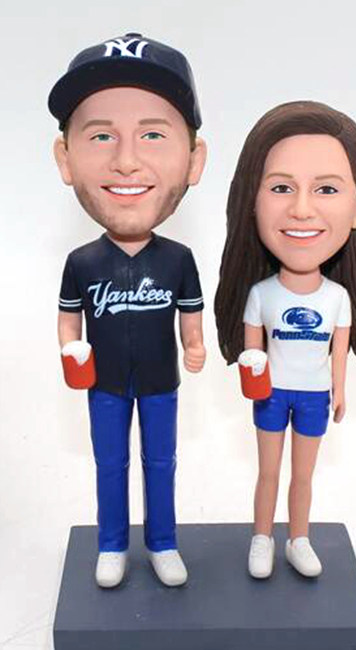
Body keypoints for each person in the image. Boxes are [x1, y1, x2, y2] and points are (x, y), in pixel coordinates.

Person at [48, 33, 207, 588]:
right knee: (109, 465)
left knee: (161, 463)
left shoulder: (178, 259)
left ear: (194, 160)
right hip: (105, 383)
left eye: (154, 134)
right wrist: (69, 346)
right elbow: (69, 317)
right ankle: (112, 544)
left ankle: (163, 542)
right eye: (101, 135)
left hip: (161, 380)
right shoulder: (83, 261)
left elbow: (190, 311)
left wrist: (194, 344)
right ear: (65, 159)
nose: (127, 161)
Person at [215, 100, 356, 579]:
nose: (302, 209)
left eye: (326, 188)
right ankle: (262, 537)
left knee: (303, 475)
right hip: (271, 393)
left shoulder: (337, 298)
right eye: (281, 187)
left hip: (313, 395)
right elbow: (253, 349)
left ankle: (299, 538)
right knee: (268, 471)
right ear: (252, 199)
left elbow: (338, 350)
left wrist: (340, 390)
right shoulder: (261, 294)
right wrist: (251, 377)